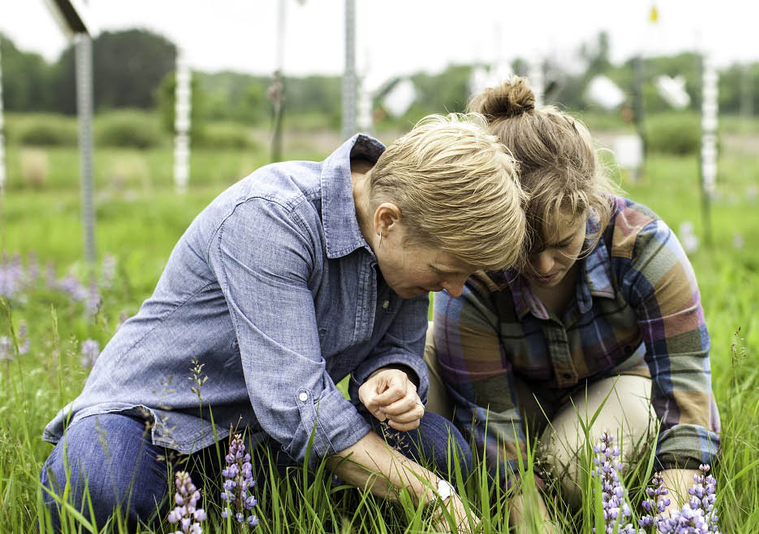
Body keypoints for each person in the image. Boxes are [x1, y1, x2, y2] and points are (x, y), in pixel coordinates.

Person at [40, 115, 528, 533]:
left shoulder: (404, 245)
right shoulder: (270, 218)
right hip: (157, 420)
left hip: (257, 440)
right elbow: (298, 407)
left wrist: (393, 375)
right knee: (100, 484)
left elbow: (392, 348)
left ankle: (239, 506)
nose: (456, 289)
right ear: (387, 221)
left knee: (442, 452)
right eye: (445, 271)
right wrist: (430, 496)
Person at [427, 78, 720, 529]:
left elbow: (686, 391)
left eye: (563, 243)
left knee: (573, 465)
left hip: (617, 386)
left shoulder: (643, 246)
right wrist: (523, 504)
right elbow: (493, 419)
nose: (544, 265)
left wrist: (676, 509)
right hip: (511, 398)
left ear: (590, 204)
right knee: (421, 365)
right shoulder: (476, 272)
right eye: (524, 247)